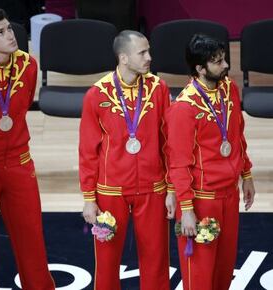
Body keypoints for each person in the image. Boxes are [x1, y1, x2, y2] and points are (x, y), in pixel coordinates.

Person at [80, 30, 176, 290]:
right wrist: (89, 198)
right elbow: (88, 151)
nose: (149, 58)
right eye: (142, 52)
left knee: (156, 261)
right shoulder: (96, 95)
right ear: (123, 57)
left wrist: (172, 188)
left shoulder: (159, 88)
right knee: (107, 262)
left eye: (149, 51)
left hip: (153, 188)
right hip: (111, 190)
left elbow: (169, 143)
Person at [0, 8, 55, 290]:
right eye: (0, 32)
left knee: (31, 237)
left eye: (9, 29)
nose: (10, 36)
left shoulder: (29, 65)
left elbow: (24, 103)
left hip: (18, 161)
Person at [164, 34, 256, 290]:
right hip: (202, 200)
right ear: (200, 69)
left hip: (229, 194)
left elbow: (237, 136)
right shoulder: (184, 108)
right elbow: (178, 164)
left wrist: (246, 174)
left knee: (224, 272)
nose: (225, 65)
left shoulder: (229, 89)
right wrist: (187, 209)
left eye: (224, 58)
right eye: (217, 62)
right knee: (200, 277)